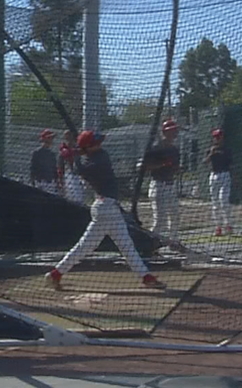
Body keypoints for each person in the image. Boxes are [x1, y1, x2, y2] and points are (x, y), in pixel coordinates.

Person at [45, 130, 164, 291]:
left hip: (107, 208)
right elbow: (83, 167)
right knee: (109, 247)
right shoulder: (91, 160)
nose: (99, 144)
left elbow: (83, 165)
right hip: (105, 209)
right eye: (95, 143)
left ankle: (56, 274)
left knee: (103, 246)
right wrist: (73, 153)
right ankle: (146, 277)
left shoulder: (100, 157)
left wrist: (72, 154)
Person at [142, 119, 180, 243]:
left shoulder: (174, 149)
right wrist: (163, 164)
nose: (175, 133)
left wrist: (176, 168)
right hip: (158, 185)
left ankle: (173, 241)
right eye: (171, 130)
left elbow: (175, 167)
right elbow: (147, 166)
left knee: (175, 216)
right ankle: (150, 243)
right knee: (160, 219)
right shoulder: (156, 148)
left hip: (170, 185)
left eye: (175, 130)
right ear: (164, 132)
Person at [206, 128, 233, 236]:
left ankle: (228, 225)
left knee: (224, 200)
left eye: (219, 136)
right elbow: (205, 162)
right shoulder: (210, 149)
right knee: (215, 203)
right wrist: (211, 153)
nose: (218, 139)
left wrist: (235, 177)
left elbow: (231, 165)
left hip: (225, 175)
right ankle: (218, 227)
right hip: (214, 175)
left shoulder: (226, 150)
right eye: (216, 137)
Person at [58, 130, 84, 205]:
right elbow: (60, 165)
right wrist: (60, 177)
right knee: (71, 195)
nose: (68, 137)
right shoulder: (64, 149)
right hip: (69, 174)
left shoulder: (78, 148)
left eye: (69, 135)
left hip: (78, 174)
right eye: (66, 135)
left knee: (80, 195)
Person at [30, 129, 58, 195]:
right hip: (40, 181)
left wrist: (56, 181)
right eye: (49, 138)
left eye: (52, 138)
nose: (51, 140)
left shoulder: (52, 154)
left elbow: (54, 169)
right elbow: (33, 168)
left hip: (50, 182)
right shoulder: (37, 152)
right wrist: (33, 181)